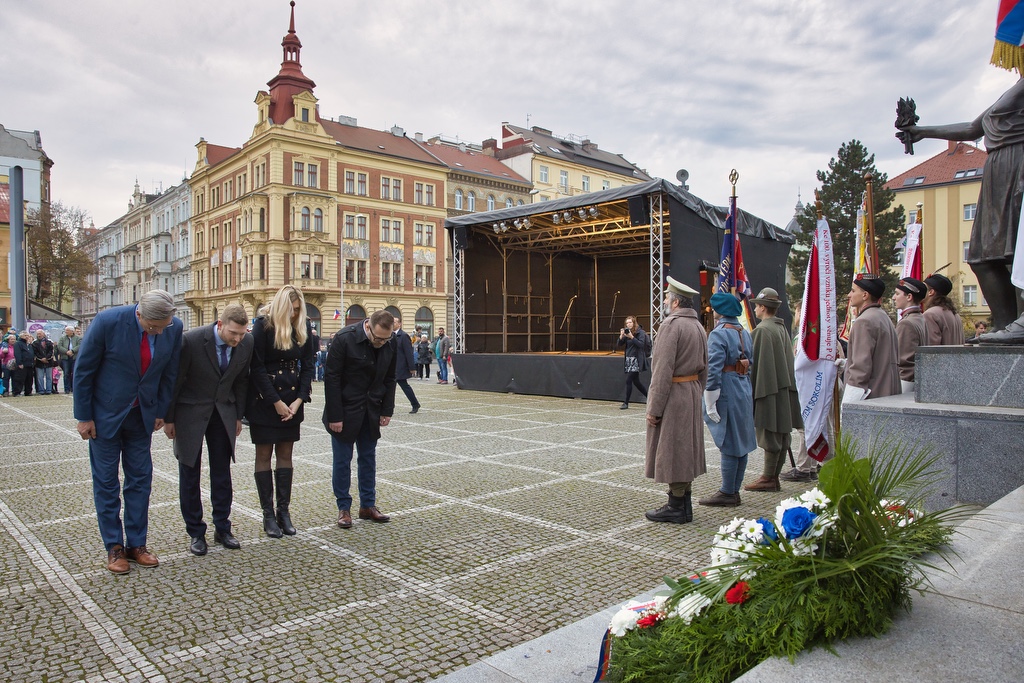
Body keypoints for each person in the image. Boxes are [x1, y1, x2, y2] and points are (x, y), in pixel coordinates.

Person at [896, 19, 1024, 341]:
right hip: (997, 169)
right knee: (982, 256)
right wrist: (921, 132)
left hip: (1019, 163)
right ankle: (1005, 324)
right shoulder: (1012, 91)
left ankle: (1019, 324)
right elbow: (971, 129)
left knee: (1015, 251)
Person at [73, 289, 183, 574]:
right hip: (105, 417)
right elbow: (83, 370)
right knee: (107, 483)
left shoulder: (173, 327)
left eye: (164, 326)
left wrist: (161, 410)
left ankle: (137, 544)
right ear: (139, 314)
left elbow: (170, 373)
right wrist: (84, 417)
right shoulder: (107, 322)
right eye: (153, 327)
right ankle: (114, 547)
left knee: (140, 480)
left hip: (141, 417)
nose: (159, 332)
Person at [164, 304, 253, 556]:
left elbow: (242, 380)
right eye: (233, 333)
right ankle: (195, 531)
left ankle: (223, 527)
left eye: (242, 334)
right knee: (189, 472)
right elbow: (175, 379)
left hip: (223, 413)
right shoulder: (191, 341)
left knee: (222, 473)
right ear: (220, 324)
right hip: (189, 413)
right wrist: (169, 418)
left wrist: (238, 415)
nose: (237, 339)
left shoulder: (247, 342)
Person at [246, 285, 316, 538]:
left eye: (298, 310)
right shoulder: (263, 325)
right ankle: (268, 514)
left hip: (292, 396)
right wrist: (274, 401)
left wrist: (299, 400)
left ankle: (283, 512)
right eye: (292, 309)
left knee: (286, 453)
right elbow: (257, 367)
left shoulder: (302, 327)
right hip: (265, 399)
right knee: (263, 453)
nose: (295, 314)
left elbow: (308, 366)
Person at [323, 310, 398, 529]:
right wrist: (335, 416)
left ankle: (368, 505)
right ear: (368, 327)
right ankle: (343, 508)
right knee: (342, 461)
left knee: (368, 459)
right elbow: (332, 378)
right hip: (345, 412)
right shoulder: (344, 338)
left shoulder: (389, 342)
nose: (381, 343)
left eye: (386, 339)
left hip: (371, 411)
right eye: (377, 338)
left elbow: (390, 378)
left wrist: (387, 410)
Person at [644, 276, 707, 524]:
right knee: (684, 449)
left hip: (674, 394)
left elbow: (661, 370)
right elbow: (706, 368)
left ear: (675, 301)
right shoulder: (698, 326)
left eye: (667, 298)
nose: (665, 302)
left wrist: (654, 408)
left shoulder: (671, 326)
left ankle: (677, 506)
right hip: (690, 391)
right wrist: (696, 391)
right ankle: (683, 503)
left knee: (673, 450)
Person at [699, 293, 757, 507]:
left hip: (726, 389)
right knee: (740, 442)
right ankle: (734, 490)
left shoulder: (718, 334)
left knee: (729, 442)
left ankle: (727, 492)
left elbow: (713, 369)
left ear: (719, 311)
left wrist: (710, 399)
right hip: (743, 387)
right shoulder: (745, 332)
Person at [744, 287, 803, 493]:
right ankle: (773, 477)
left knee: (770, 432)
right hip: (782, 387)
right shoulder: (781, 328)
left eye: (757, 306)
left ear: (762, 307)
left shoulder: (761, 330)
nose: (756, 310)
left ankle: (769, 477)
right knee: (781, 432)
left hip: (768, 388)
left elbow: (755, 366)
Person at [841, 274, 901, 404]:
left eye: (853, 291)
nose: (849, 295)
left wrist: (849, 402)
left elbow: (860, 368)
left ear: (865, 295)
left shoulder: (864, 321)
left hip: (872, 398)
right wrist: (847, 363)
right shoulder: (883, 316)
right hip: (887, 394)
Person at [892, 277, 930, 393]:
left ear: (909, 297)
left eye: (897, 294)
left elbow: (905, 362)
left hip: (906, 384)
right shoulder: (920, 318)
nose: (894, 297)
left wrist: (901, 390)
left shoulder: (906, 323)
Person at [921, 273, 965, 346]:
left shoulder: (930, 314)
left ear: (931, 292)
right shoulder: (955, 314)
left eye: (923, 288)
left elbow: (931, 350)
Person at [616, 315, 650, 410]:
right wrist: (622, 336)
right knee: (636, 382)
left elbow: (640, 344)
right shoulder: (627, 333)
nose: (628, 324)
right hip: (629, 359)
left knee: (629, 380)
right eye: (627, 323)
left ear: (634, 323)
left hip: (636, 359)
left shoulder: (640, 333)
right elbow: (619, 344)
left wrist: (632, 337)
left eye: (630, 322)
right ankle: (650, 398)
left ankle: (626, 402)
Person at [393, 318, 421, 414]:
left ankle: (415, 404)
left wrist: (412, 367)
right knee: (390, 388)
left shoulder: (403, 336)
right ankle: (389, 408)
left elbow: (409, 353)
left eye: (394, 322)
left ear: (399, 324)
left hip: (400, 366)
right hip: (392, 367)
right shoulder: (390, 335)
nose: (392, 324)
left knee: (404, 386)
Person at [56, 325, 82, 394]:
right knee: (66, 373)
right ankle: (67, 388)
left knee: (74, 373)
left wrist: (72, 351)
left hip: (74, 357)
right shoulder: (62, 338)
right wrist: (66, 351)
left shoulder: (78, 338)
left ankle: (74, 388)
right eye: (66, 330)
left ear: (72, 331)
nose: (66, 332)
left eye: (67, 330)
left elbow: (80, 345)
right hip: (65, 358)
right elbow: (59, 346)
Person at [32, 330, 56, 395]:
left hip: (49, 362)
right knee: (40, 377)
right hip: (39, 362)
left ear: (43, 334)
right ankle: (41, 390)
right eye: (38, 334)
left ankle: (49, 390)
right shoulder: (34, 343)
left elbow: (51, 351)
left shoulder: (49, 342)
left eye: (40, 333)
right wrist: (41, 359)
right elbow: (35, 352)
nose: (39, 335)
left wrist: (46, 358)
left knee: (49, 377)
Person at [13, 331, 35, 397]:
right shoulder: (18, 344)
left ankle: (28, 392)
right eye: (25, 335)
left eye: (27, 335)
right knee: (20, 379)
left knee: (29, 379)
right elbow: (17, 354)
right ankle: (17, 392)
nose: (27, 337)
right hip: (22, 364)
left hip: (30, 364)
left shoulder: (29, 344)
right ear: (21, 336)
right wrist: (19, 363)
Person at [0, 332, 16, 396]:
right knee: (6, 378)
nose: (13, 340)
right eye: (11, 339)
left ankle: (14, 391)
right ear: (8, 340)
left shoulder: (16, 346)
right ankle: (6, 391)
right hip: (6, 364)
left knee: (15, 378)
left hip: (15, 364)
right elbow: (1, 356)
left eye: (14, 339)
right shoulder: (5, 346)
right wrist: (4, 352)